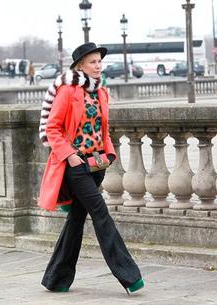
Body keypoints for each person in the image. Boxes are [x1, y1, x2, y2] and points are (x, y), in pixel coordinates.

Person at [38, 42, 144, 294]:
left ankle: (56, 279)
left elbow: (102, 129)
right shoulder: (68, 91)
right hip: (76, 165)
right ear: (80, 66)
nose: (98, 66)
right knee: (100, 213)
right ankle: (129, 276)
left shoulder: (101, 92)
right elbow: (52, 129)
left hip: (98, 164)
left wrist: (109, 152)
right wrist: (71, 156)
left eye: (99, 61)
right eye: (92, 62)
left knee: (76, 219)